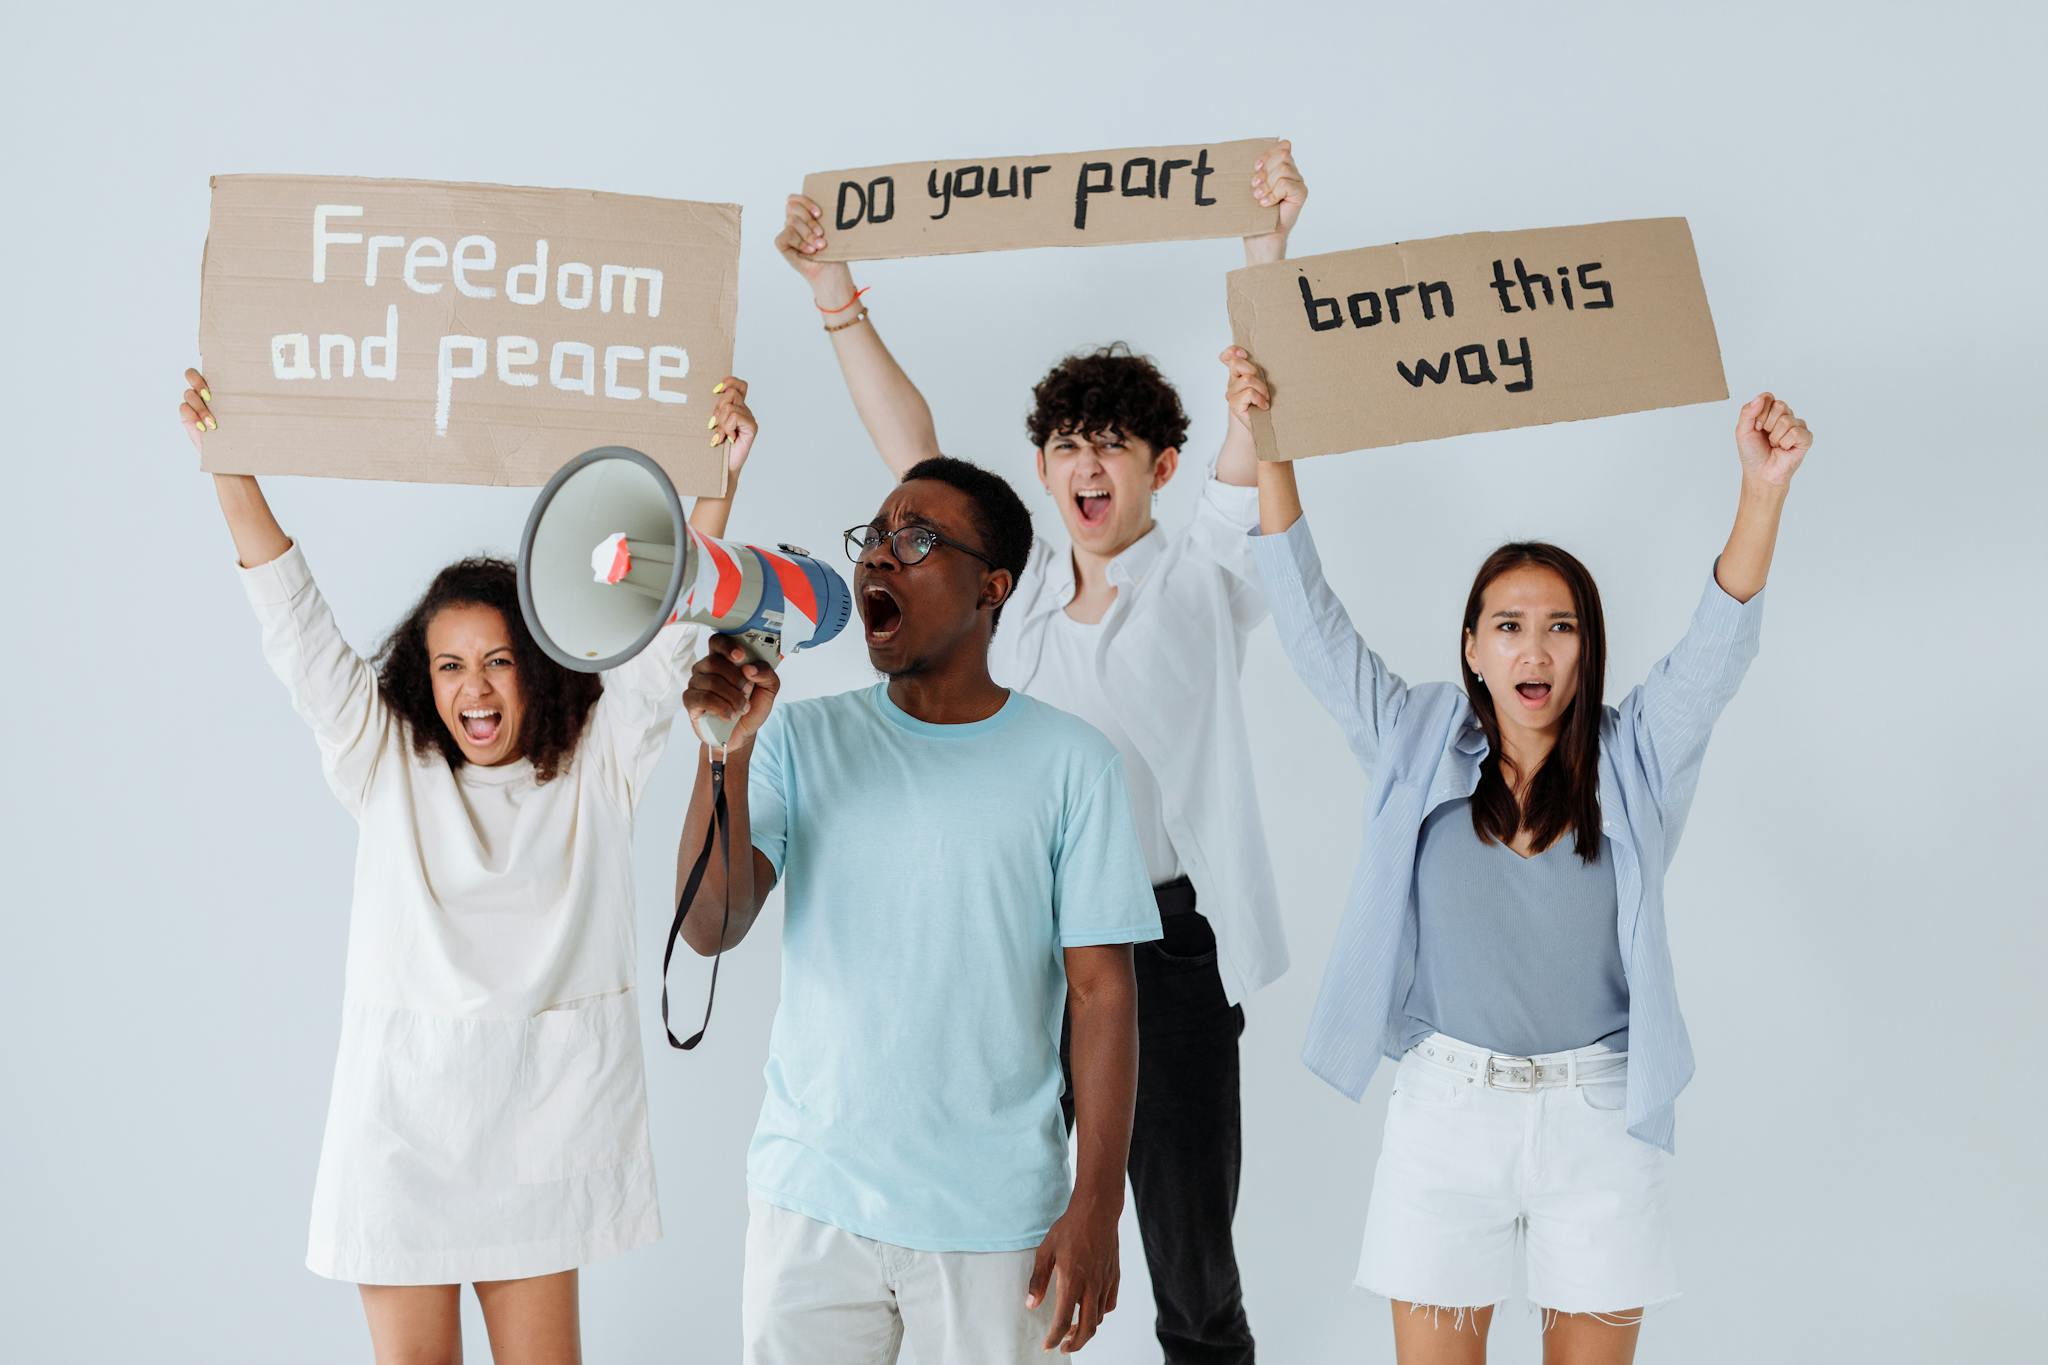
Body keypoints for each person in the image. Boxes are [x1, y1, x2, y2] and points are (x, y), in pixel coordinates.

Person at [770, 140, 1309, 1365]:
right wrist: (834, 297)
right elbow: (912, 456)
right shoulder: (1004, 596)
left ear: (1158, 470)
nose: (1086, 465)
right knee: (996, 1237)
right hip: (1014, 940)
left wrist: (1266, 245)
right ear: (1042, 471)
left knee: (1190, 1266)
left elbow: (1255, 417)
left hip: (1157, 946)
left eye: (1112, 446)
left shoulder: (1203, 578)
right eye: (1066, 444)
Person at [1228, 348, 1812, 1364]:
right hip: (1446, 1115)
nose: (1533, 651)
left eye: (1558, 628)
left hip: (1599, 1118)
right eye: (1507, 627)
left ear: (1586, 648)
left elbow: (1715, 654)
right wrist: (1271, 444)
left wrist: (1761, 491)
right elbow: (1313, 628)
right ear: (1471, 648)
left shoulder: (1637, 758)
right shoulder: (1410, 740)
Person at [180, 366, 760, 1365]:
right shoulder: (384, 762)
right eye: (450, 665)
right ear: (423, 677)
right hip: (402, 1139)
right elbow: (296, 627)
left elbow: (668, 628)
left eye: (497, 660)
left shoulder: (598, 765)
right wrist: (227, 464)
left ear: (538, 666)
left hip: (543, 1137)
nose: (475, 688)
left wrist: (721, 477)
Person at [671, 456, 1160, 1361]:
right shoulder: (798, 737)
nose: (879, 556)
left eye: (918, 538)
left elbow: (1104, 994)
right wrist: (723, 752)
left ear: (993, 587)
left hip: (993, 1220)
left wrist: (1097, 1204)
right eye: (874, 537)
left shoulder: (1073, 764)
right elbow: (710, 926)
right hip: (809, 1206)